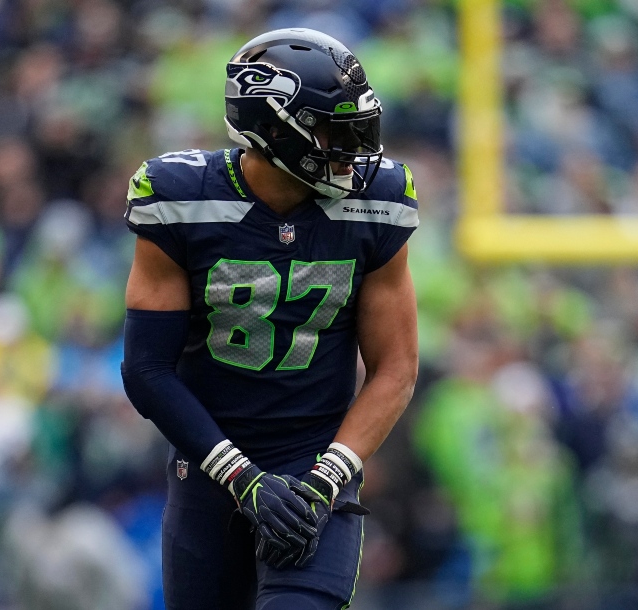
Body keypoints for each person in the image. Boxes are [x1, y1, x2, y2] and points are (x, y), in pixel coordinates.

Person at [121, 28, 419, 609]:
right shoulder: (181, 196)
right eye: (336, 131)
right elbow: (146, 369)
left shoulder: (376, 202)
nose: (355, 151)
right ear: (278, 129)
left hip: (316, 465)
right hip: (209, 466)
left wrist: (328, 477)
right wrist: (241, 478)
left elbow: (396, 368)